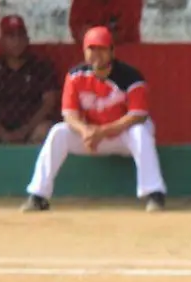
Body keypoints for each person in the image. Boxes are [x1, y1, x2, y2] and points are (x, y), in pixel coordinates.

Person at [21, 26, 167, 212]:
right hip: (91, 139)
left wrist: (102, 132)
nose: (96, 54)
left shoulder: (131, 77)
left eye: (102, 49)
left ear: (112, 51)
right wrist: (86, 131)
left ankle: (154, 193)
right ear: (84, 51)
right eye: (92, 49)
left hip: (122, 136)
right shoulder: (75, 76)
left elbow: (137, 116)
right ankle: (38, 195)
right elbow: (69, 115)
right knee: (59, 132)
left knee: (140, 131)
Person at [0, 15, 59, 145]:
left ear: (27, 39)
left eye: (20, 36)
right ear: (1, 41)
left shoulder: (41, 67)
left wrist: (24, 131)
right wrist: (2, 133)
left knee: (45, 130)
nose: (17, 41)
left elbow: (49, 103)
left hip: (31, 129)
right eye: (11, 36)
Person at [70, 0, 143, 45]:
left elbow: (122, 34)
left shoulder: (130, 2)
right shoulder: (82, 2)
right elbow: (77, 29)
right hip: (88, 55)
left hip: (126, 54)